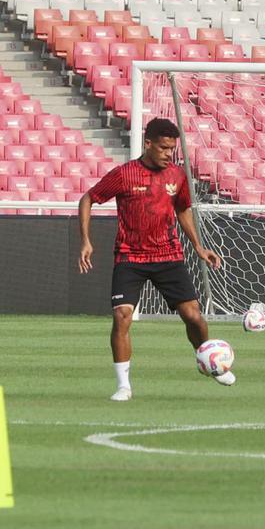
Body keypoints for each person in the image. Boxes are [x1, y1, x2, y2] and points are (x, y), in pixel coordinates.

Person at [77, 117, 230, 402]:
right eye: (163, 148)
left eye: (171, 149)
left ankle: (210, 360)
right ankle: (123, 385)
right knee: (122, 316)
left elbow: (183, 209)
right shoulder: (124, 175)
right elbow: (88, 198)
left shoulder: (177, 175)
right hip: (130, 257)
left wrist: (198, 245)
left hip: (168, 255)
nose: (168, 154)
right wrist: (86, 240)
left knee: (193, 317)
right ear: (148, 144)